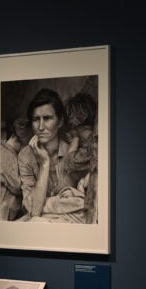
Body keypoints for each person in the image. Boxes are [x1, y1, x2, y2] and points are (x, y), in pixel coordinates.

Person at [17, 88, 85, 222]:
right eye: (36, 119)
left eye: (47, 118)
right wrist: (44, 164)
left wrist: (45, 202)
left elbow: (74, 201)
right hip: (40, 217)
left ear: (60, 122)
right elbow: (34, 210)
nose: (41, 126)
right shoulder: (25, 156)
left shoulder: (70, 153)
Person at [63, 91, 98, 223]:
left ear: (73, 122)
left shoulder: (91, 143)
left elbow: (70, 163)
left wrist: (75, 141)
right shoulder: (91, 141)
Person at [0, 117, 32, 220]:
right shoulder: (9, 154)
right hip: (2, 207)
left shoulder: (1, 149)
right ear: (15, 138)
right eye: (24, 145)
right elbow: (17, 185)